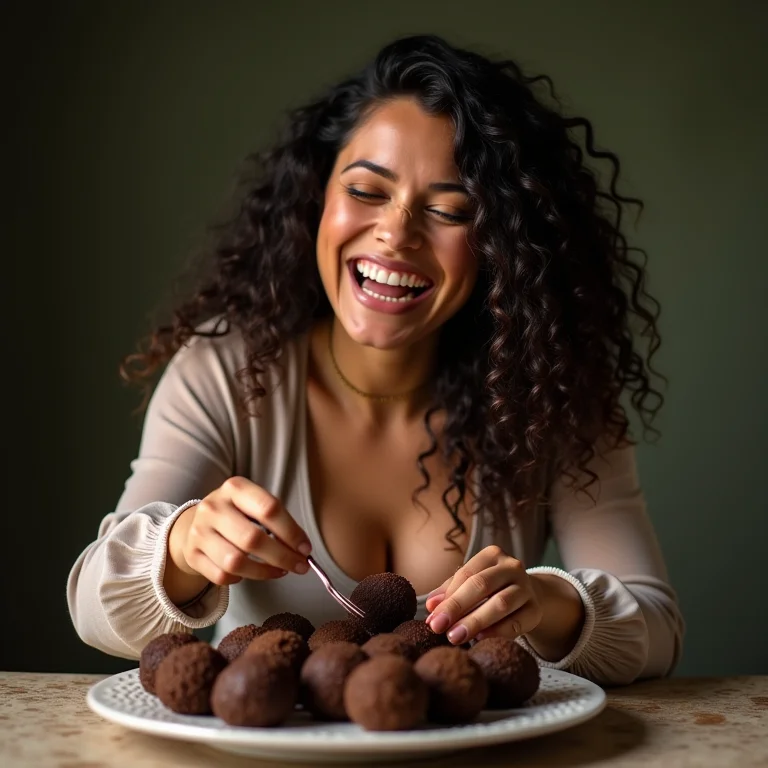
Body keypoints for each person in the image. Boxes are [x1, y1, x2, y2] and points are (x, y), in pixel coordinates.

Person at [68, 34, 684, 686]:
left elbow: (656, 629)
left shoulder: (550, 389)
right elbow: (91, 606)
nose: (396, 234)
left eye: (449, 209)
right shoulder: (225, 369)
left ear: (503, 242)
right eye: (367, 191)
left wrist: (544, 603)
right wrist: (184, 547)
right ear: (317, 199)